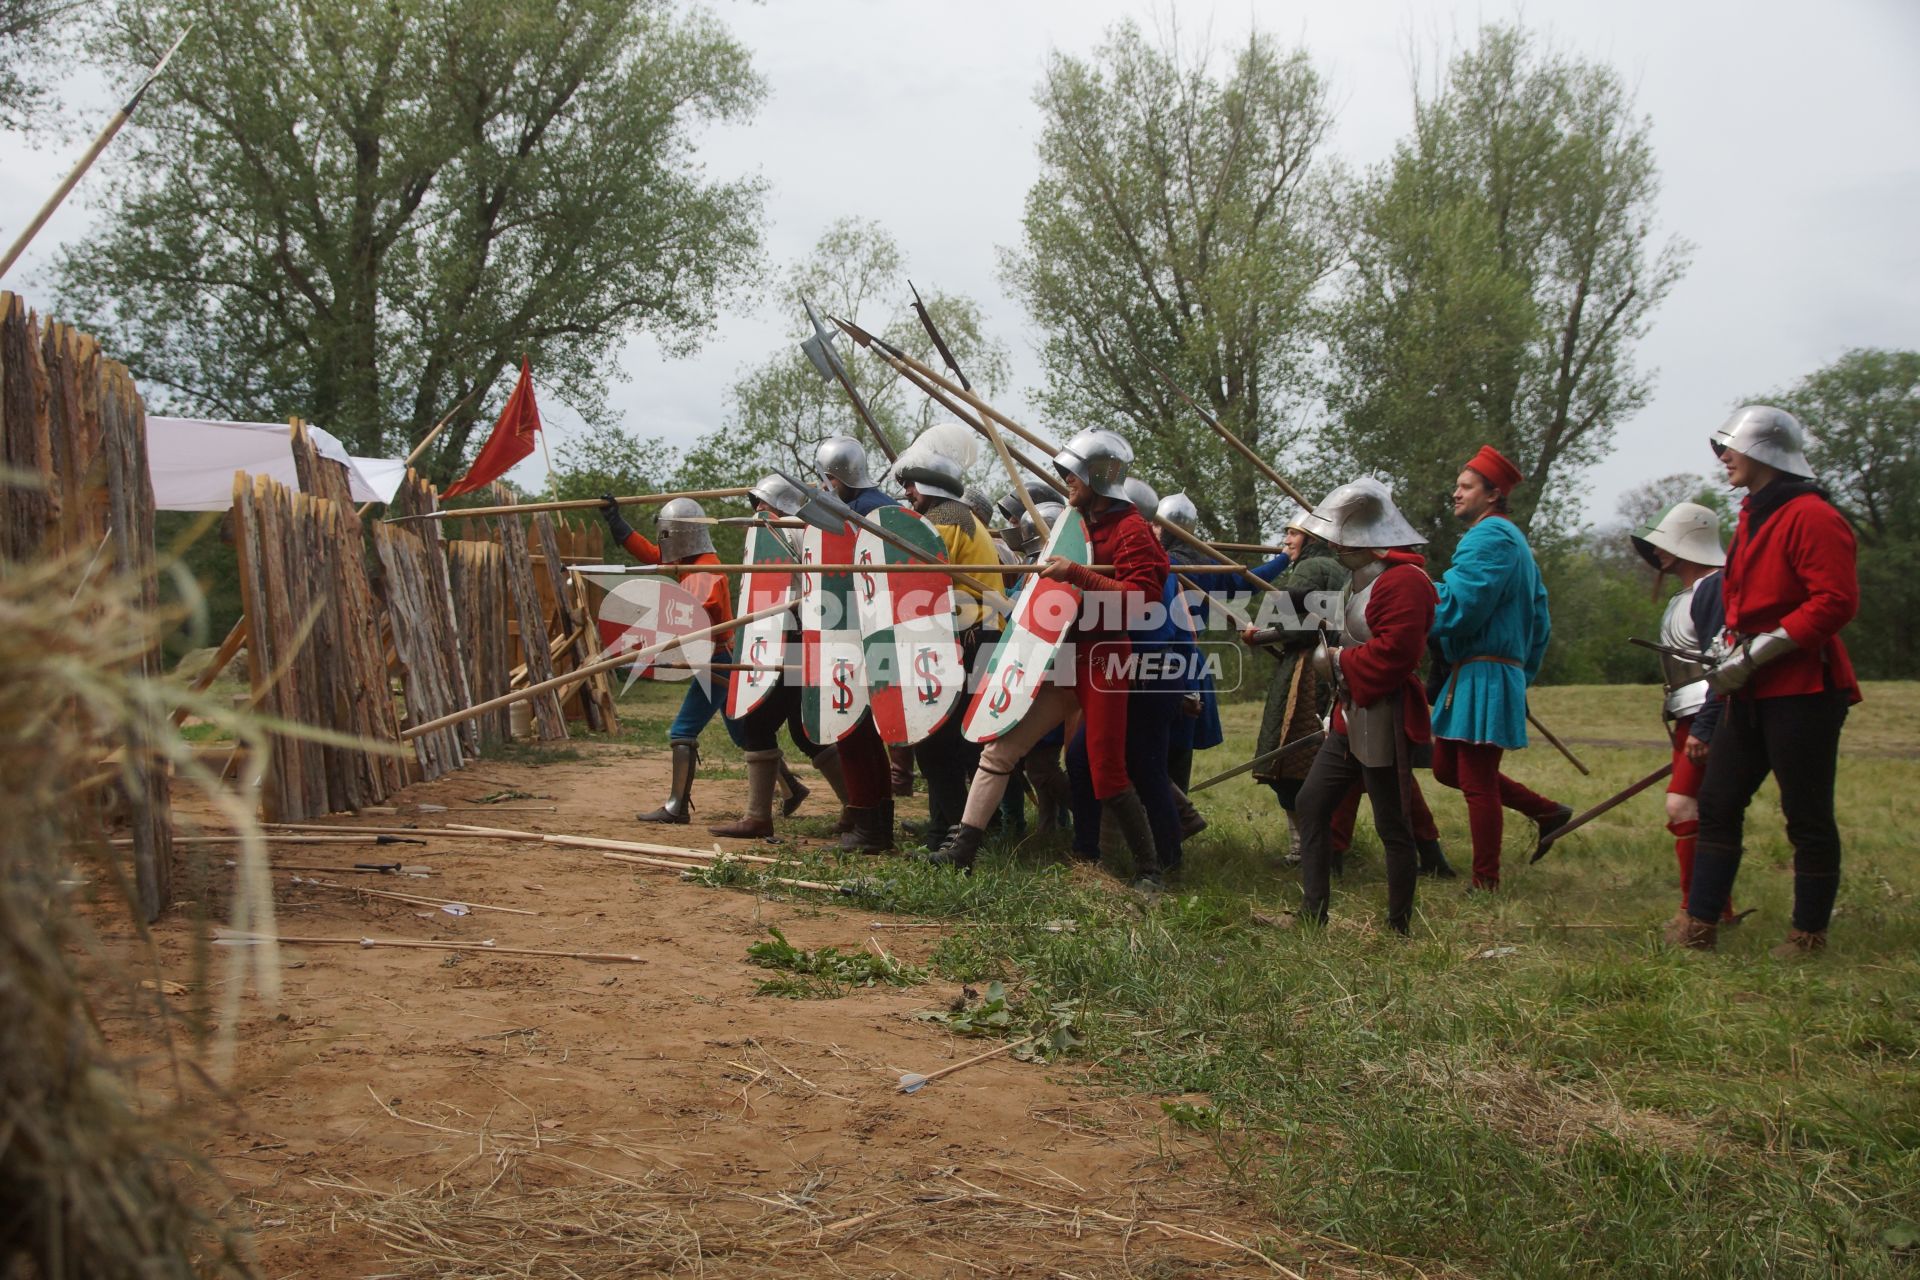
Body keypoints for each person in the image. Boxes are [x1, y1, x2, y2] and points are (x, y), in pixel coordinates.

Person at [926, 429, 1170, 884]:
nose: (1065, 481)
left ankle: (1149, 869)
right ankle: (963, 850)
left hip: (1103, 656)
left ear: (1095, 475)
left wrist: (1076, 572)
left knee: (1106, 769)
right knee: (1002, 748)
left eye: (1072, 473)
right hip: (1061, 652)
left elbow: (1144, 602)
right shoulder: (1079, 521)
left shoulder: (1130, 529)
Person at [1667, 407, 1860, 956]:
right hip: (1747, 692)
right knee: (1721, 802)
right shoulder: (1753, 512)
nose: (1722, 457)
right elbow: (1738, 602)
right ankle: (1699, 925)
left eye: (1730, 447)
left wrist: (1755, 654)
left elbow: (1836, 602)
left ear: (1765, 452)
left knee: (1807, 815)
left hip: (1804, 689)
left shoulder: (1812, 516)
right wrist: (1732, 656)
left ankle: (1807, 935)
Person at [1292, 479, 1438, 934]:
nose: (1335, 545)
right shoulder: (1363, 579)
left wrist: (1336, 661)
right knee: (1311, 803)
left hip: (1385, 713)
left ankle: (1398, 927)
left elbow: (1396, 654)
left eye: (1342, 538)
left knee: (1393, 826)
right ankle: (1312, 915)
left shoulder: (1406, 582)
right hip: (1350, 711)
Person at [1427, 445, 1572, 891]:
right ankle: (1547, 811)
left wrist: (1409, 594)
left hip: (1485, 672)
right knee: (1447, 769)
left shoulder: (1489, 538)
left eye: (1466, 487)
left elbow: (1459, 608)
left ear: (1492, 496)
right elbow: (1540, 620)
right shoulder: (1515, 542)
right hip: (1484, 671)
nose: (1456, 494)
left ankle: (1485, 881)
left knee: (1475, 779)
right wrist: (1519, 674)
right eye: (1457, 486)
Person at [710, 473, 850, 839]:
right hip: (791, 637)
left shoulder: (784, 530)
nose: (757, 509)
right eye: (755, 502)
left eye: (764, 502)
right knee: (804, 733)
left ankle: (759, 817)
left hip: (786, 639)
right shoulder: (804, 530)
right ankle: (855, 808)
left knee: (757, 725)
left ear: (782, 505)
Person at [598, 494, 740, 824]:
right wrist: (616, 523)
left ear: (681, 535)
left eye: (666, 535)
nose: (663, 545)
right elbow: (651, 554)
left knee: (682, 731)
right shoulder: (691, 562)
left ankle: (676, 808)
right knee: (746, 736)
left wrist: (652, 649)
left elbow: (692, 622)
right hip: (716, 657)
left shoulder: (704, 572)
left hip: (715, 661)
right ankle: (791, 789)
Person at [1627, 501, 1733, 920]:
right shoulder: (1687, 594)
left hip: (1710, 711)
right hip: (1689, 713)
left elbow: (1724, 662)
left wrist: (1706, 726)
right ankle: (1715, 908)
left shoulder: (1714, 588)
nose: (1658, 551)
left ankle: (1696, 910)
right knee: (1693, 807)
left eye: (1666, 541)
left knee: (1683, 805)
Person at [896, 449, 1005, 843]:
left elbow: (917, 580)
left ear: (930, 484)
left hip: (968, 637)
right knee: (957, 740)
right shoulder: (962, 518)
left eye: (911, 484)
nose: (907, 492)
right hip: (979, 634)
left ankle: (960, 832)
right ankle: (953, 827)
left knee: (939, 740)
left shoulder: (941, 522)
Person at [1237, 514, 1348, 857]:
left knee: (1291, 762)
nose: (1285, 540)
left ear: (1311, 536)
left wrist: (1259, 636)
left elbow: (1292, 623)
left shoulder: (1311, 568)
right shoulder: (1343, 567)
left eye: (1292, 533)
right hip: (1335, 666)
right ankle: (1320, 844)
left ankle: (1305, 847)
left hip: (1307, 671)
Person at [812, 435, 903, 852]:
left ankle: (871, 828)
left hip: (859, 633)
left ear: (835, 477)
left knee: (851, 728)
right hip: (883, 632)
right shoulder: (890, 507)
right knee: (864, 731)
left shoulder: (859, 515)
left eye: (827, 480)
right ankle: (874, 824)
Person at [1153, 493, 1226, 840]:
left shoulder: (1164, 564)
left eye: (1156, 525)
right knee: (1175, 754)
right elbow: (1246, 580)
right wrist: (1283, 559)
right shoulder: (1208, 564)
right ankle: (1172, 828)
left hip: (1173, 661)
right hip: (1193, 662)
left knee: (1158, 752)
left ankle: (1172, 828)